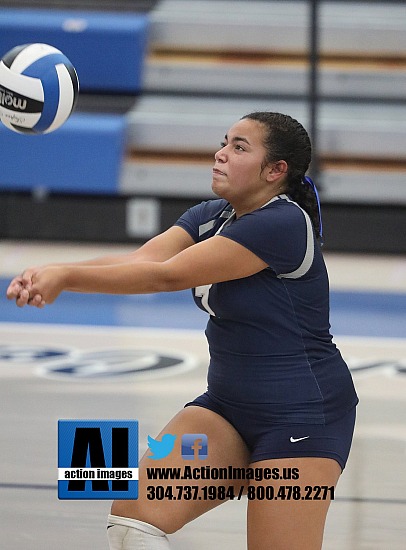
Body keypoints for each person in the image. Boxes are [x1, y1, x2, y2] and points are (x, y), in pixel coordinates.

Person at [7, 111, 358, 550]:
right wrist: (53, 270)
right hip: (228, 408)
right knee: (133, 520)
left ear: (276, 171)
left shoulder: (282, 224)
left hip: (304, 415)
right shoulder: (211, 216)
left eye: (239, 148)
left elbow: (167, 277)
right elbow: (143, 262)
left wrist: (68, 279)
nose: (221, 153)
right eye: (225, 141)